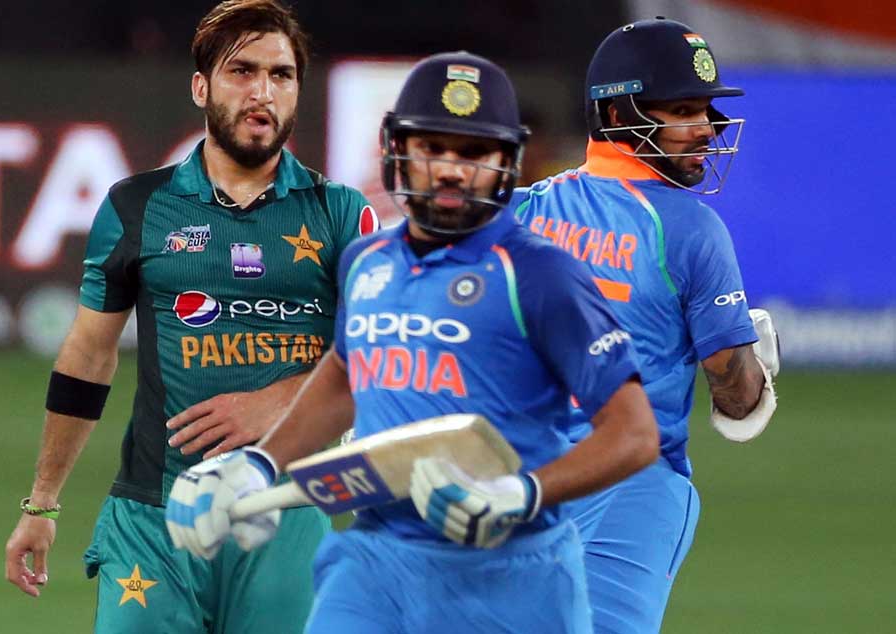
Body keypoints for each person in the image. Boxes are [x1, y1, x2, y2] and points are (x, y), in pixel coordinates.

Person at [165, 50, 660, 634]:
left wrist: (520, 493)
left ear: (507, 161)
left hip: (512, 574)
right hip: (376, 564)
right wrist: (259, 464)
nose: (450, 170)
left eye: (473, 152)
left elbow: (634, 433)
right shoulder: (366, 260)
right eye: (432, 148)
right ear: (398, 148)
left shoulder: (541, 274)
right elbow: (348, 374)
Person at [3, 1, 377, 632]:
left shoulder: (341, 213)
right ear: (201, 87)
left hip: (287, 513)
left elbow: (378, 358)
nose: (263, 92)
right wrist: (42, 504)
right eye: (242, 71)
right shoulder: (137, 207)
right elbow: (88, 356)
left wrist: (277, 401)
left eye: (281, 75)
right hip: (154, 519)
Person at [511, 17, 781, 634]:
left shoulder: (525, 210)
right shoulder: (690, 228)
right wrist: (757, 368)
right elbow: (736, 398)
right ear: (618, 113)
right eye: (683, 110)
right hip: (632, 484)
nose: (706, 128)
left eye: (705, 110)